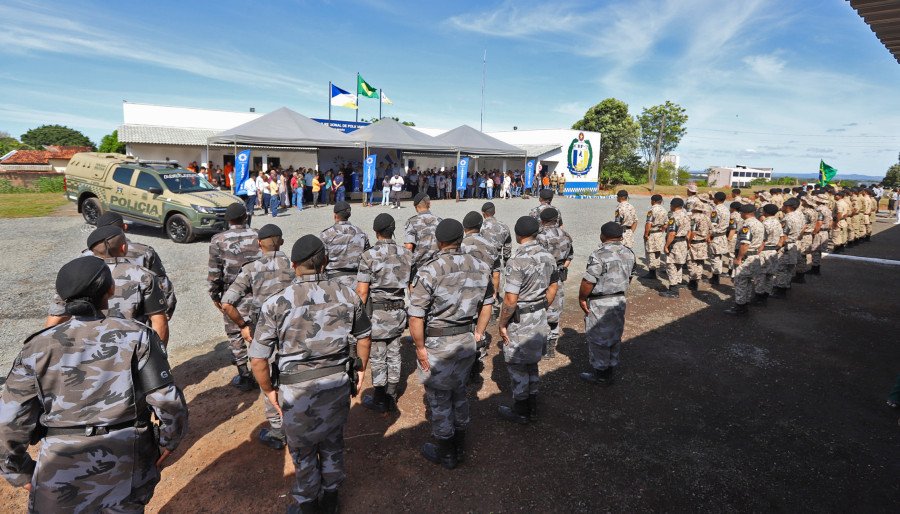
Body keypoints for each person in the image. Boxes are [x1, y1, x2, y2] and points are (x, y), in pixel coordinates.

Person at [0, 256, 188, 512]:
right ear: (109, 290)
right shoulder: (138, 336)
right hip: (126, 463)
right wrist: (168, 442)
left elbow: (8, 421)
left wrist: (19, 471)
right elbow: (168, 401)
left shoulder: (36, 348)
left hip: (57, 469)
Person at [249, 235, 372, 514]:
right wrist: (361, 370)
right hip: (336, 383)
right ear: (325, 262)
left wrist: (269, 390)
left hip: (296, 391)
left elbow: (258, 358)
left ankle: (307, 503)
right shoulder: (347, 294)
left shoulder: (276, 304)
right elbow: (364, 336)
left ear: (294, 266)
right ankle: (331, 497)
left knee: (302, 449)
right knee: (332, 441)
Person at [409, 219, 494, 469]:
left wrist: (420, 347)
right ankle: (460, 443)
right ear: (460, 239)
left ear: (439, 241)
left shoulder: (430, 270)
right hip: (466, 341)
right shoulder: (480, 266)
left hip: (438, 344)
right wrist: (478, 333)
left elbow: (416, 315)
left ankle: (447, 452)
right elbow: (487, 304)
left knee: (438, 398)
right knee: (459, 391)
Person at [220, 224, 294, 450]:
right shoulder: (293, 264)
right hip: (294, 329)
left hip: (264, 331)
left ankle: (277, 430)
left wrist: (243, 325)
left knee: (268, 378)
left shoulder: (251, 269)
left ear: (259, 244)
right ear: (281, 241)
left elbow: (227, 303)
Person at [49, 226, 169, 346]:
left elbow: (55, 321)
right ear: (124, 247)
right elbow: (159, 321)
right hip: (130, 349)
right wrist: (158, 354)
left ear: (92, 250)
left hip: (83, 348)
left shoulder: (74, 276)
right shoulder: (145, 277)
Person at [496, 216, 558, 423]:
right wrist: (542, 306)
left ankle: (521, 410)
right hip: (539, 315)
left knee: (517, 365)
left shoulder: (516, 260)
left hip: (521, 318)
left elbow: (510, 299)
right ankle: (532, 401)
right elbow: (553, 286)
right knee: (532, 363)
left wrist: (502, 323)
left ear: (517, 234)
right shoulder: (548, 256)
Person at [357, 214, 412, 413]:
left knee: (378, 355)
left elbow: (363, 291)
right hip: (398, 312)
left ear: (376, 232)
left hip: (377, 314)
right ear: (392, 229)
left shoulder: (368, 256)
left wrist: (358, 318)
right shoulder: (406, 254)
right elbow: (410, 286)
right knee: (395, 352)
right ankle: (392, 394)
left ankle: (380, 398)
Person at [208, 203, 262, 390]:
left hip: (233, 296)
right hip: (257, 293)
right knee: (260, 332)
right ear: (245, 217)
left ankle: (245, 376)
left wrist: (215, 295)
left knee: (235, 335)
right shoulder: (258, 235)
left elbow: (215, 272)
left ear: (228, 220)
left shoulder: (218, 240)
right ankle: (264, 370)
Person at [87, 211, 177, 318]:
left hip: (94, 327)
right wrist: (164, 316)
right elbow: (163, 286)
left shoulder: (84, 258)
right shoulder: (144, 252)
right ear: (124, 227)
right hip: (136, 326)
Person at [578, 222, 636, 385]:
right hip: (619, 299)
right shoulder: (629, 253)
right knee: (614, 335)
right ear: (621, 236)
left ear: (602, 236)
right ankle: (610, 368)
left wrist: (582, 298)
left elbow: (588, 281)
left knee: (598, 337)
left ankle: (601, 375)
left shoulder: (599, 254)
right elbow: (630, 276)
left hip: (601, 301)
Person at [461, 211, 501, 375]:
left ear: (465, 228)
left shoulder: (460, 245)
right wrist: (494, 293)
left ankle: (466, 363)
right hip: (484, 289)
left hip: (464, 292)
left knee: (465, 326)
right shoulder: (490, 246)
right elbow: (496, 274)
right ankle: (478, 358)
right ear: (480, 226)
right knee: (480, 328)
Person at [536, 208, 573, 359]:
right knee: (555, 311)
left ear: (542, 220)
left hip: (542, 277)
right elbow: (570, 256)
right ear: (557, 219)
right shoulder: (566, 235)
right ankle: (551, 347)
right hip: (558, 276)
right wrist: (562, 269)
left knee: (541, 309)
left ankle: (543, 346)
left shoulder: (540, 236)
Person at [321, 201, 371, 292]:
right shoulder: (361, 234)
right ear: (349, 215)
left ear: (335, 215)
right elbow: (367, 259)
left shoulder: (326, 234)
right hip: (357, 282)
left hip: (332, 282)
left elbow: (322, 260)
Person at [725, 203, 765, 315]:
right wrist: (756, 252)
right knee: (748, 282)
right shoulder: (759, 223)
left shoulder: (747, 225)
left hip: (746, 258)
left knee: (741, 282)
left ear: (744, 213)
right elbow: (763, 242)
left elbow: (744, 244)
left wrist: (739, 258)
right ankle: (745, 303)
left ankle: (740, 307)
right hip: (754, 257)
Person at [480, 202, 512, 308]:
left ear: (483, 214)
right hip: (496, 256)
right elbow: (507, 245)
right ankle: (494, 297)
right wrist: (506, 258)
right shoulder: (503, 226)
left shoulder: (480, 226)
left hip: (482, 257)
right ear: (494, 212)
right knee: (496, 274)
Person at [404, 193, 442, 280]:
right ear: (429, 204)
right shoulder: (439, 220)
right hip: (437, 266)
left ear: (415, 206)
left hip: (418, 268)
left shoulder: (412, 222)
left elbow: (409, 247)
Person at [772, 198, 804, 298]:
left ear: (788, 207)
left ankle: (780, 291)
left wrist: (777, 247)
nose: (782, 207)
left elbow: (784, 235)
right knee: (789, 268)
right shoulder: (798, 215)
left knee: (782, 269)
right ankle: (786, 285)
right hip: (794, 244)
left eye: (784, 205)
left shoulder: (788, 218)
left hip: (786, 245)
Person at [659, 198, 690, 298]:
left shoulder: (674, 217)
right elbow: (689, 232)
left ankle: (673, 290)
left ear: (673, 205)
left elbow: (672, 233)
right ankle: (678, 282)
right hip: (683, 242)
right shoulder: (686, 215)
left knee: (671, 265)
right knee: (679, 264)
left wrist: (666, 245)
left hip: (675, 243)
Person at [755, 203, 784, 306]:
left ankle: (758, 297)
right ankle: (765, 296)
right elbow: (781, 238)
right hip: (774, 251)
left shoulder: (764, 224)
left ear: (764, 212)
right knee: (770, 275)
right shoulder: (778, 222)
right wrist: (777, 248)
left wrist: (757, 252)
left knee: (760, 275)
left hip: (764, 251)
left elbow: (762, 240)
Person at [685, 201, 711, 291]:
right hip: (703, 243)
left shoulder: (694, 218)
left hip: (694, 243)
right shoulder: (707, 218)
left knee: (691, 262)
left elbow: (693, 231)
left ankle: (692, 282)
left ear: (695, 208)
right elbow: (711, 230)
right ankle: (697, 279)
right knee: (700, 263)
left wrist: (689, 241)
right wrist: (707, 238)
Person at [643, 194, 668, 281]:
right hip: (659, 233)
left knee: (650, 252)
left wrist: (646, 234)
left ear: (653, 201)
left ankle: (652, 272)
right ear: (661, 201)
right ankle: (656, 270)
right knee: (657, 252)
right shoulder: (664, 210)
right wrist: (662, 229)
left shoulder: (652, 210)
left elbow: (648, 223)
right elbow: (666, 223)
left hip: (652, 233)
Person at [708, 192, 730, 285]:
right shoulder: (726, 209)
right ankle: (716, 276)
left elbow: (713, 225)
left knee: (715, 257)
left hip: (716, 237)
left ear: (716, 199)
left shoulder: (716, 210)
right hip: (722, 235)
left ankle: (715, 278)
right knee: (719, 257)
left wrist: (709, 235)